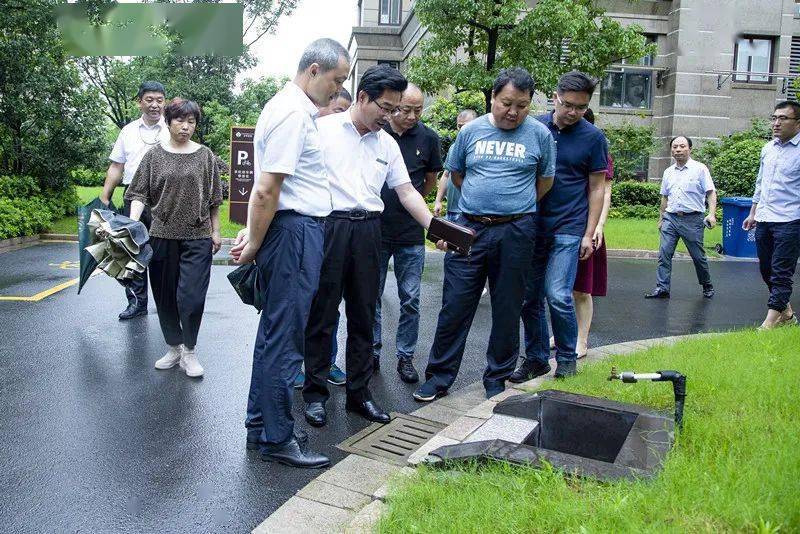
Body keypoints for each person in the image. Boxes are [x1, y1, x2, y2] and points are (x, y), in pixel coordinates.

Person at [231, 38, 351, 469]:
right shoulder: (292, 114)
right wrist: (256, 242)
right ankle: (277, 437)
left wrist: (257, 236)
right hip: (295, 232)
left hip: (294, 231)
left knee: (275, 335)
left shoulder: (291, 109)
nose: (338, 91)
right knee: (285, 339)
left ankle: (261, 426)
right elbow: (266, 188)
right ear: (314, 70)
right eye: (336, 81)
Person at [302, 65, 435, 428]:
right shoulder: (321, 129)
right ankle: (314, 393)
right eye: (387, 108)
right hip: (328, 228)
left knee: (364, 315)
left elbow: (407, 191)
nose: (392, 116)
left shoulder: (387, 143)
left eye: (396, 109)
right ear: (362, 98)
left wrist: (435, 229)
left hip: (368, 233)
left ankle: (359, 395)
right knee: (322, 314)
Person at [414, 67, 555, 402]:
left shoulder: (539, 135)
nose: (513, 111)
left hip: (517, 230)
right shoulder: (471, 132)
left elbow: (545, 181)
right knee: (456, 305)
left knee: (508, 306)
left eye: (522, 105)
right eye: (506, 103)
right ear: (493, 97)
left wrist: (515, 205)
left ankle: (497, 377)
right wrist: (481, 208)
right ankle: (439, 377)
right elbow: (457, 175)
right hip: (471, 229)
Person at [511, 71, 608, 383]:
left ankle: (567, 357)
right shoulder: (533, 127)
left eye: (580, 107)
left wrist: (590, 232)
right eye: (568, 105)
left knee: (558, 294)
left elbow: (597, 188)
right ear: (555, 97)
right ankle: (537, 358)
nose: (573, 112)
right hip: (531, 224)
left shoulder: (593, 138)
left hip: (569, 226)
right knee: (529, 296)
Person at [124, 98, 223, 378]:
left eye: (191, 122)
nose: (185, 127)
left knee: (191, 297)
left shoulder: (204, 155)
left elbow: (215, 199)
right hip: (161, 235)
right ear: (168, 122)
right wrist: (132, 226)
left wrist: (216, 231)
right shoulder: (154, 155)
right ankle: (174, 347)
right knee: (165, 296)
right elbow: (139, 193)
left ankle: (190, 351)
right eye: (180, 120)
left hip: (197, 236)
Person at [373, 83, 443, 384]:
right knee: (369, 296)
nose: (412, 116)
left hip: (410, 233)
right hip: (374, 229)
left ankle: (405, 356)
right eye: (405, 109)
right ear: (394, 105)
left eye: (418, 110)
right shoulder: (376, 132)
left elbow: (428, 182)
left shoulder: (428, 138)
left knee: (411, 298)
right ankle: (371, 353)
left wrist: (414, 208)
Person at [292, 86, 354, 390]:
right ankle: (296, 364)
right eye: (334, 108)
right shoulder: (305, 137)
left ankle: (326, 362)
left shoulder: (349, 145)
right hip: (308, 226)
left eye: (343, 110)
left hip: (338, 229)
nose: (336, 116)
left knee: (330, 303)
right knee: (303, 301)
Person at [100, 81, 169, 320]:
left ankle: (166, 303)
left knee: (163, 250)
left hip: (165, 198)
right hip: (132, 196)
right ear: (140, 101)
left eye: (159, 100)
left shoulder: (172, 128)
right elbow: (117, 165)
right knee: (132, 250)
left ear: (165, 103)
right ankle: (137, 304)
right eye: (149, 99)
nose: (155, 105)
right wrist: (105, 196)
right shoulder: (128, 131)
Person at [743, 101, 800, 329]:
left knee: (781, 271)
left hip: (791, 220)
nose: (776, 123)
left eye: (783, 118)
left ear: (797, 123)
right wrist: (753, 212)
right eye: (774, 117)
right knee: (766, 269)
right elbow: (760, 183)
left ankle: (768, 324)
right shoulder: (768, 148)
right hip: (765, 218)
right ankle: (786, 313)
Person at [644, 136, 716, 299]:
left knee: (698, 256)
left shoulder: (700, 169)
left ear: (690, 149)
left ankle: (707, 284)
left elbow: (710, 192)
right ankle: (662, 288)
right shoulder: (668, 172)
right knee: (664, 253)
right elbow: (665, 197)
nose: (678, 150)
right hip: (671, 218)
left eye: (682, 146)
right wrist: (661, 218)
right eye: (675, 147)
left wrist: (711, 214)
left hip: (692, 219)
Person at [571, 108, 613, 358]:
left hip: (587, 226)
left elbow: (604, 192)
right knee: (560, 289)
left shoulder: (598, 149)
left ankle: (582, 340)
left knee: (581, 289)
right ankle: (565, 334)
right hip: (564, 223)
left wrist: (598, 226)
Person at [434, 109, 479, 222]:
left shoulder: (480, 149)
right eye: (459, 126)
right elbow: (445, 175)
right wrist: (438, 201)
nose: (462, 129)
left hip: (467, 211)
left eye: (466, 126)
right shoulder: (454, 147)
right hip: (451, 210)